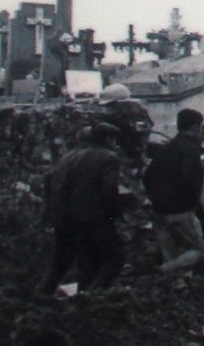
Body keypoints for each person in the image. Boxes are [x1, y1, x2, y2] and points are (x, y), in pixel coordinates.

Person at [39, 123, 126, 295]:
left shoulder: (67, 158)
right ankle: (90, 296)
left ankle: (41, 295)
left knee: (65, 262)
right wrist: (112, 219)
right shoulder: (108, 157)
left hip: (65, 219)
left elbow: (50, 183)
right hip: (93, 219)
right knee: (113, 259)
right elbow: (109, 192)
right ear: (109, 139)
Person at [142, 110, 204, 274]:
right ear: (195, 128)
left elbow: (147, 176)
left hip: (159, 212)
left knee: (172, 256)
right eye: (202, 127)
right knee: (199, 252)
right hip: (180, 211)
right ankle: (160, 271)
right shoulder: (191, 150)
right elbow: (188, 180)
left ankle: (174, 292)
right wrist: (190, 205)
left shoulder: (167, 148)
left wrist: (157, 198)